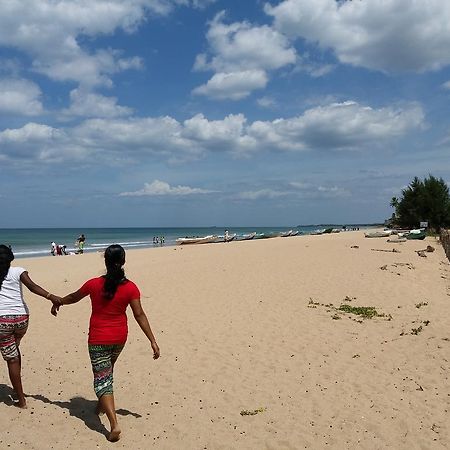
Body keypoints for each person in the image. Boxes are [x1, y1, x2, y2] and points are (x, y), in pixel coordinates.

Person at [51, 244, 160, 442]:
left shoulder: (93, 284)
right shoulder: (130, 287)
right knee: (106, 372)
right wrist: (152, 340)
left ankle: (114, 424)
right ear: (123, 262)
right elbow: (139, 315)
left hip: (98, 339)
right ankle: (100, 407)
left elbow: (74, 297)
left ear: (106, 262)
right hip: (119, 338)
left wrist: (58, 301)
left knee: (101, 380)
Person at [0, 244, 61, 408]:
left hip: (2, 321)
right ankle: (16, 389)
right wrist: (51, 296)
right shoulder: (18, 271)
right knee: (15, 348)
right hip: (22, 319)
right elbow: (32, 287)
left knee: (11, 359)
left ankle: (21, 400)